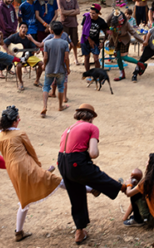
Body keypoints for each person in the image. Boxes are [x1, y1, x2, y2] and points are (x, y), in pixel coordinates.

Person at [0, 106, 64, 242]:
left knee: (23, 201)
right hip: (26, 166)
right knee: (58, 181)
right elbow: (31, 151)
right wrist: (38, 166)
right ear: (14, 122)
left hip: (12, 171)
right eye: (18, 119)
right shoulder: (20, 134)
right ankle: (90, 189)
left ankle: (19, 232)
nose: (19, 120)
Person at [57, 104, 126, 245]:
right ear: (91, 117)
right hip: (77, 162)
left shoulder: (68, 128)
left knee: (76, 196)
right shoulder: (92, 128)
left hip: (62, 163)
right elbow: (93, 154)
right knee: (97, 175)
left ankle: (79, 231)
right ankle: (122, 188)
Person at [123, 153, 154, 227]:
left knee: (135, 193)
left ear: (152, 165)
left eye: (148, 161)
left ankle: (138, 220)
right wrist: (124, 217)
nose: (146, 162)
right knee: (138, 192)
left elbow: (129, 193)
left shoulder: (147, 182)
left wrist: (129, 184)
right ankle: (135, 218)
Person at [3, 23, 45, 90]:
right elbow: (3, 43)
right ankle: (21, 82)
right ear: (19, 28)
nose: (23, 29)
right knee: (19, 65)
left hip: (28, 56)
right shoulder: (14, 36)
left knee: (41, 64)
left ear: (27, 29)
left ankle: (37, 81)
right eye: (22, 27)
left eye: (25, 27)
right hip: (17, 57)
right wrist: (10, 52)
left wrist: (36, 51)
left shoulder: (29, 37)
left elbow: (33, 48)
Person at [41, 22, 70, 117]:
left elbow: (45, 57)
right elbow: (66, 58)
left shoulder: (47, 43)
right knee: (61, 87)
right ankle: (60, 106)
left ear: (51, 31)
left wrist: (44, 66)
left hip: (49, 69)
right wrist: (68, 68)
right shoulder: (65, 43)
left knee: (46, 87)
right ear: (62, 32)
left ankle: (44, 107)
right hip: (61, 70)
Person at [108, 10, 144, 81]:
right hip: (116, 42)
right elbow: (110, 35)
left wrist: (142, 41)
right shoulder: (112, 25)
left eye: (122, 17)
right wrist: (110, 36)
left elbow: (133, 32)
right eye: (120, 19)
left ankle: (141, 64)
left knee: (123, 57)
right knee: (118, 58)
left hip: (125, 41)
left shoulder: (126, 23)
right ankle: (122, 74)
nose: (122, 19)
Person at [80, 4, 108, 72]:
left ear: (98, 13)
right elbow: (83, 30)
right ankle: (88, 74)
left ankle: (97, 74)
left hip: (95, 41)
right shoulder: (86, 18)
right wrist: (89, 40)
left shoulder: (101, 21)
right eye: (90, 12)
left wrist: (102, 43)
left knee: (96, 59)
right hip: (85, 40)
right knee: (86, 58)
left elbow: (106, 32)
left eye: (93, 13)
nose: (91, 15)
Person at [58, 0, 81, 65]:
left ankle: (75, 58)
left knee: (74, 42)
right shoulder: (60, 0)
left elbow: (78, 11)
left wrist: (68, 12)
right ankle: (63, 58)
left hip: (74, 24)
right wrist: (72, 11)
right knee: (64, 42)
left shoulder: (74, 0)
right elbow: (62, 12)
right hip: (64, 24)